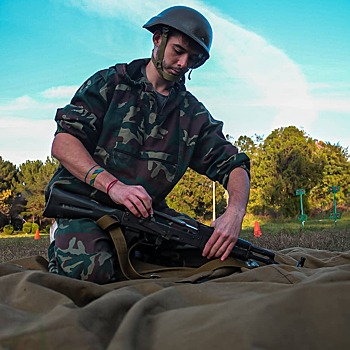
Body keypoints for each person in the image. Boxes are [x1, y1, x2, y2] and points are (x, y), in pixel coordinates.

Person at [45, 5, 250, 284]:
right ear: (157, 39)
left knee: (222, 255)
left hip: (145, 217)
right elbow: (63, 143)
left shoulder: (192, 114)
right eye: (178, 51)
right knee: (93, 271)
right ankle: (63, 233)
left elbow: (234, 164)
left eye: (193, 59)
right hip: (84, 207)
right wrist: (113, 187)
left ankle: (133, 251)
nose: (183, 63)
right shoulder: (111, 83)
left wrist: (235, 212)